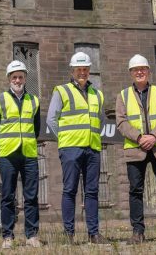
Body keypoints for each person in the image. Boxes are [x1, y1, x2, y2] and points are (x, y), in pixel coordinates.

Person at [116, 54, 156, 244]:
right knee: (135, 191)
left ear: (148, 71)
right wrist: (139, 137)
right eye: (136, 70)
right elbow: (121, 122)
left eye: (143, 69)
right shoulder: (123, 95)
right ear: (130, 73)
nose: (139, 72)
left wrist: (154, 136)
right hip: (135, 150)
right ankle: (138, 232)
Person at [46, 52, 108, 244]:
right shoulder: (61, 91)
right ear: (72, 71)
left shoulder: (97, 94)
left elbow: (101, 119)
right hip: (71, 149)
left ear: (89, 71)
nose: (82, 72)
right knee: (70, 190)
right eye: (79, 69)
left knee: (92, 191)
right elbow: (51, 119)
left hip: (92, 148)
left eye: (85, 69)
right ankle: (69, 234)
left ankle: (94, 233)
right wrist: (65, 139)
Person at [0, 60, 41, 249]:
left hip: (28, 154)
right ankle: (8, 237)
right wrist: (2, 145)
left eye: (21, 77)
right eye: (14, 77)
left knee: (31, 196)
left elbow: (36, 128)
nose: (18, 80)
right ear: (9, 79)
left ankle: (32, 236)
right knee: (8, 196)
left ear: (26, 78)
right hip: (8, 155)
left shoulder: (34, 101)